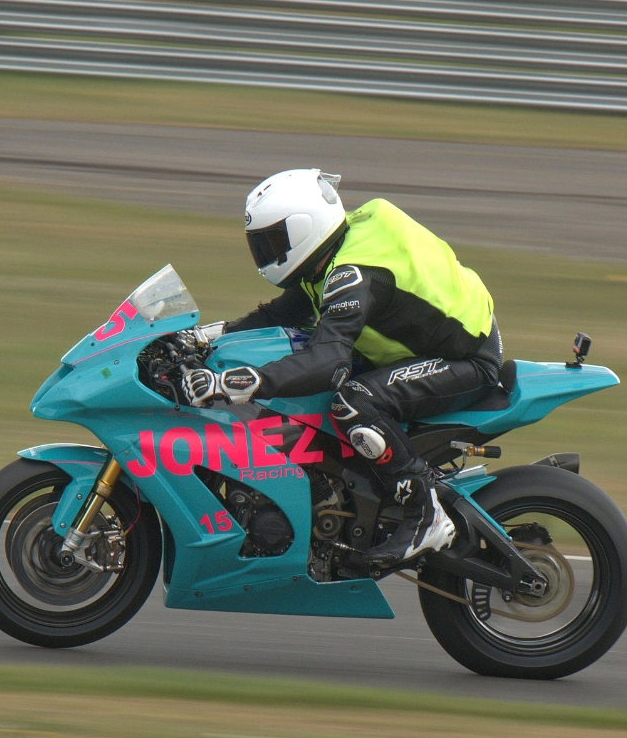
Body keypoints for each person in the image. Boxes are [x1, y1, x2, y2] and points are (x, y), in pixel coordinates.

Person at [181, 169, 503, 566]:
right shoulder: (331, 254)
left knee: (353, 400)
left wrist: (239, 384)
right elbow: (283, 313)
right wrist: (205, 337)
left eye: (272, 240)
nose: (265, 252)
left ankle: (426, 513)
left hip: (464, 359)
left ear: (305, 228)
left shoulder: (352, 275)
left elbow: (328, 363)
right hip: (421, 346)